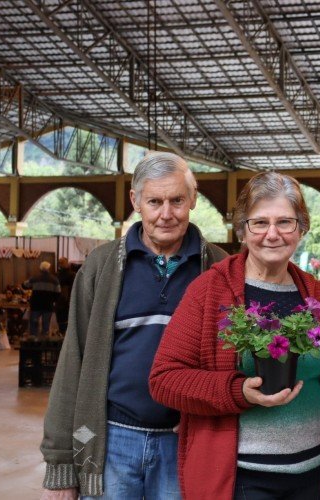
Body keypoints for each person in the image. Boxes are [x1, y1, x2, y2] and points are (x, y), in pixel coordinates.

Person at [150, 171, 320, 500]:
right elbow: (164, 379)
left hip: (315, 470)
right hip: (242, 478)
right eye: (259, 223)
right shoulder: (210, 290)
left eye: (285, 222)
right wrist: (238, 390)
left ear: (302, 229)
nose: (272, 234)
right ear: (242, 230)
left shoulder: (317, 295)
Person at [40, 152, 227, 499]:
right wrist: (61, 464)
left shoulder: (220, 269)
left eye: (177, 200)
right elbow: (73, 362)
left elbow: (231, 365)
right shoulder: (101, 266)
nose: (166, 214)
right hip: (112, 440)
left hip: (185, 440)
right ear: (135, 201)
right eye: (155, 201)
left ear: (194, 200)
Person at [23, 261, 61, 339]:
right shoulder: (54, 280)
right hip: (48, 305)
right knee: (46, 325)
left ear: (40, 268)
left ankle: (33, 342)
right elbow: (58, 293)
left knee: (33, 324)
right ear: (49, 268)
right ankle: (44, 342)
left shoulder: (35, 278)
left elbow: (24, 285)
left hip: (36, 305)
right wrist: (53, 300)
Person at [55, 257, 75, 334]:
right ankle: (62, 332)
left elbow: (72, 288)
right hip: (62, 298)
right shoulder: (60, 274)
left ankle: (63, 332)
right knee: (62, 316)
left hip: (64, 298)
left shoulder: (68, 274)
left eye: (61, 263)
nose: (60, 264)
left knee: (63, 316)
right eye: (60, 263)